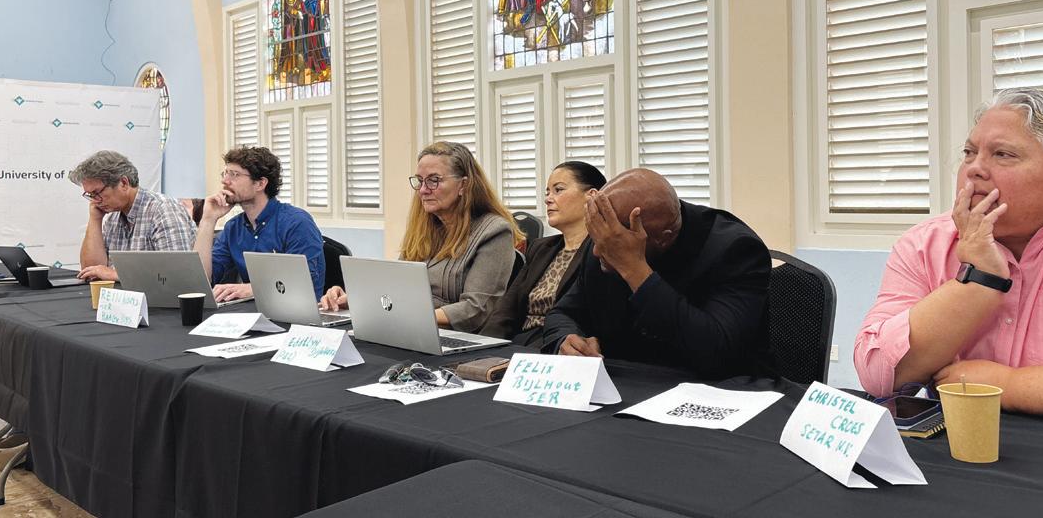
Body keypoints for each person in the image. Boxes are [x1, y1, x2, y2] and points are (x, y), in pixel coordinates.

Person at [854, 88, 1043, 427]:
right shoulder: (924, 244)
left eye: (1003, 155)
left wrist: (1009, 385)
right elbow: (880, 377)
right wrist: (978, 278)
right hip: (957, 446)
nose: (974, 169)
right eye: (969, 153)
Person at [541, 168, 772, 377]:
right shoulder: (607, 236)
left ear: (664, 238)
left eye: (613, 245)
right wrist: (566, 339)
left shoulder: (734, 249)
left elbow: (718, 352)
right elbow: (563, 313)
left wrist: (636, 271)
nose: (597, 251)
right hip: (625, 384)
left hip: (714, 390)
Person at [319, 141, 524, 334]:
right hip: (412, 330)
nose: (423, 190)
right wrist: (354, 298)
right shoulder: (425, 228)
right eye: (420, 181)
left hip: (455, 337)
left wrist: (410, 317)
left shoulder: (494, 232)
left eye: (434, 180)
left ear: (464, 185)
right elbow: (396, 287)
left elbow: (476, 309)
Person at [481, 161, 607, 347]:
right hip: (519, 343)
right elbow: (506, 310)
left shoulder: (602, 252)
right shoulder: (541, 248)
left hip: (558, 347)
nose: (548, 199)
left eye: (558, 190)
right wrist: (483, 347)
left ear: (591, 195)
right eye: (547, 192)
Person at [194, 146, 325, 302]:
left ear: (260, 184)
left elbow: (304, 282)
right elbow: (200, 281)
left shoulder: (297, 223)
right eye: (225, 173)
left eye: (234, 174)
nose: (225, 181)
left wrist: (253, 288)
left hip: (295, 312)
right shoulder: (233, 227)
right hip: (250, 311)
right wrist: (208, 220)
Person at [69, 150, 196, 282]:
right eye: (90, 195)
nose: (95, 201)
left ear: (124, 183)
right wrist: (95, 219)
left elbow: (177, 274)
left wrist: (117, 275)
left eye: (97, 193)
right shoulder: (112, 216)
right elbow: (91, 271)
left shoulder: (163, 210)